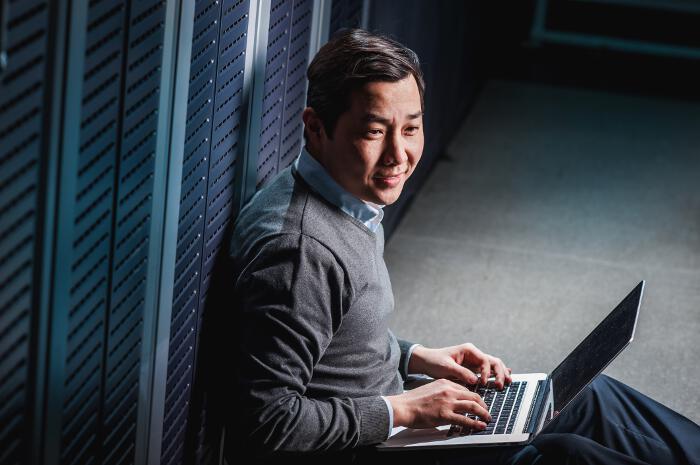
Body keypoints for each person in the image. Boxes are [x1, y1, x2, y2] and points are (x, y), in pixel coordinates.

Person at [221, 28, 700, 465]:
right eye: (374, 131)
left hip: (390, 420)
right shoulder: (301, 252)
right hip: (369, 447)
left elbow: (335, 345)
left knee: (587, 398)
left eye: (410, 128)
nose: (398, 155)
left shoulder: (348, 198)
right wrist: (404, 409)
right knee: (563, 456)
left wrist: (415, 357)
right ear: (316, 127)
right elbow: (267, 421)